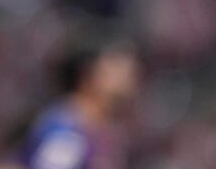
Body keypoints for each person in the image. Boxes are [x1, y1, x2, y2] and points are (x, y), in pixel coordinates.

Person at [21, 37, 140, 169]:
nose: (129, 71)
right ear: (86, 72)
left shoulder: (98, 128)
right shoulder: (65, 133)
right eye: (116, 63)